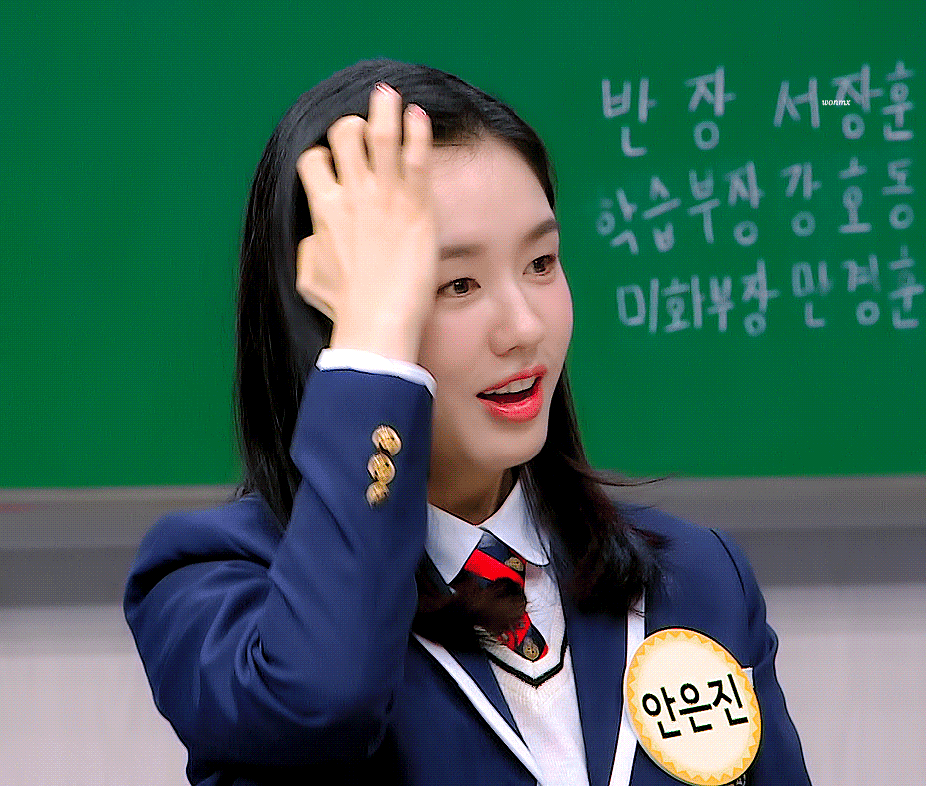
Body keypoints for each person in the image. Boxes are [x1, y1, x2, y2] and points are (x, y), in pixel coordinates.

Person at [124, 59, 811, 785]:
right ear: (334, 314)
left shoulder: (697, 575)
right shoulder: (219, 584)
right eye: (454, 283)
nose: (524, 327)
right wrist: (373, 344)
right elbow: (322, 702)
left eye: (541, 263)